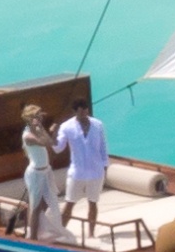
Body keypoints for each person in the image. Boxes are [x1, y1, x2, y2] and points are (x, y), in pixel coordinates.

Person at [56, 97, 109, 236]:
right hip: (77, 173)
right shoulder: (66, 126)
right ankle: (61, 232)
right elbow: (58, 148)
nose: (84, 113)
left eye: (85, 110)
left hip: (96, 172)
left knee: (93, 203)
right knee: (70, 203)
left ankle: (91, 234)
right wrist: (51, 136)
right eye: (80, 111)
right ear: (75, 112)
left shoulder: (98, 125)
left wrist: (105, 167)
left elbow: (103, 147)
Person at [18, 102, 66, 242]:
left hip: (45, 172)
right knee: (35, 206)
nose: (40, 119)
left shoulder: (38, 129)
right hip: (35, 174)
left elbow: (50, 142)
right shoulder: (28, 136)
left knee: (47, 203)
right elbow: (45, 142)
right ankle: (32, 237)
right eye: (37, 116)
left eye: (40, 116)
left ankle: (42, 229)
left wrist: (50, 131)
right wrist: (47, 131)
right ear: (30, 118)